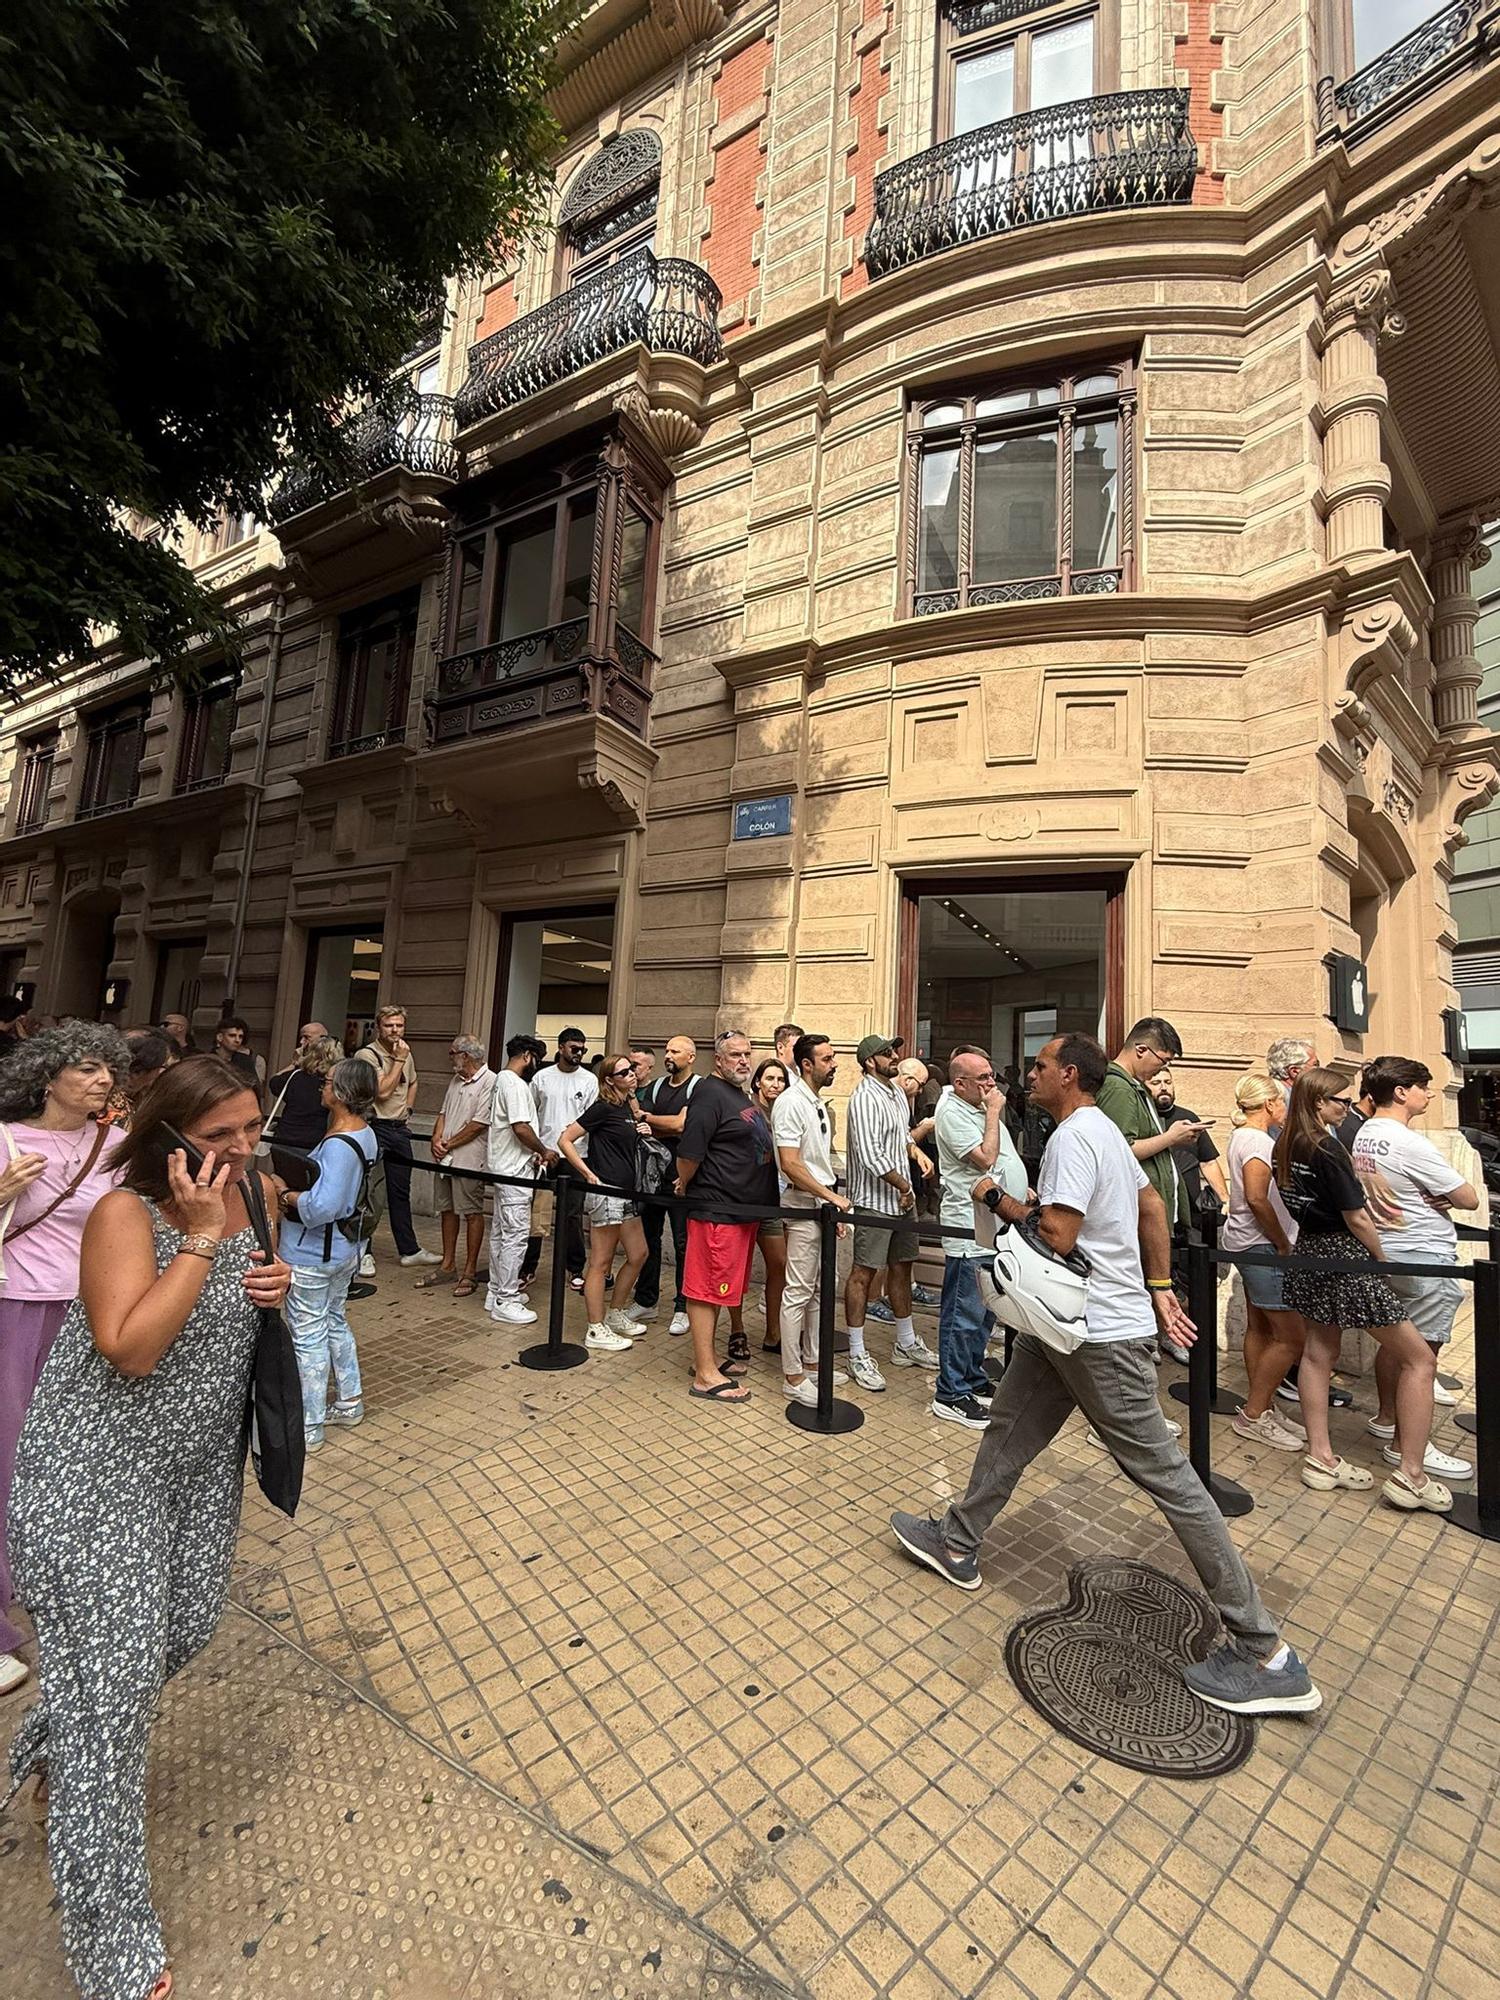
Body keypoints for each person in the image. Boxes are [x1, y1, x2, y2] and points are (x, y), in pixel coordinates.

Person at [891, 1033, 1322, 1719]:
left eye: (1037, 1067)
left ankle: (1263, 1650)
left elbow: (1057, 1233)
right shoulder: (1105, 1131)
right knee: (1010, 1422)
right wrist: (1158, 1284)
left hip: (1095, 1332)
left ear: (1069, 1075)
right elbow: (1151, 1208)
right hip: (1067, 1326)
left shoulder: (1071, 1137)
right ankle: (958, 1540)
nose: (1026, 1075)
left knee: (1169, 1478)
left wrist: (996, 1197)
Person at [5, 1055, 291, 2000]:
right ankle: (112, 1946)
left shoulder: (260, 1194)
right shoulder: (125, 1214)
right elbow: (127, 1347)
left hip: (197, 1472)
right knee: (112, 1716)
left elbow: (245, 1321)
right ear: (167, 1139)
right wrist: (204, 1244)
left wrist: (274, 1288)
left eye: (251, 1127)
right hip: (98, 1474)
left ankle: (61, 1727)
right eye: (220, 1137)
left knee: (185, 1627)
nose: (243, 1149)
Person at [0, 1021, 130, 1697]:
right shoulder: (7, 1140)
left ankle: (65, 1579)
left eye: (109, 1069)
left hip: (89, 1312)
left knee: (80, 1453)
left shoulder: (114, 1144)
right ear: (47, 1075)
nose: (102, 1079)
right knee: (7, 1457)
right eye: (86, 1068)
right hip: (17, 1309)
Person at [1274, 1067, 1453, 1510]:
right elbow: (1356, 1216)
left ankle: (1321, 1456)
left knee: (1317, 1354)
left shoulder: (1285, 1142)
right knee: (1419, 1359)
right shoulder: (1327, 1148)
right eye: (1340, 1099)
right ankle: (1411, 1473)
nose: (1347, 1106)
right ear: (1319, 1102)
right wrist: (1381, 1257)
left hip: (1309, 1250)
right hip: (1344, 1258)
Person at [1351, 1058, 1476, 1474]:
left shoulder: (1364, 1134)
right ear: (1401, 1092)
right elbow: (1468, 1197)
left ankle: (1389, 1420)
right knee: (1421, 1356)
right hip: (1423, 1254)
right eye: (1423, 1086)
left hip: (1387, 1249)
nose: (1429, 1093)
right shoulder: (1410, 1143)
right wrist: (1445, 1194)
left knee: (1398, 1345)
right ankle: (1410, 1448)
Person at [278, 1057, 380, 1449]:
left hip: (313, 1253)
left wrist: (285, 1194)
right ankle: (349, 1400)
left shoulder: (339, 1145)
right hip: (343, 1249)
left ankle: (308, 1424)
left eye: (328, 1081)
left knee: (308, 1335)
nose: (322, 1086)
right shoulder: (363, 1134)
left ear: (342, 1093)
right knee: (334, 1322)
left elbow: (324, 1206)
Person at [675, 1030, 777, 1403]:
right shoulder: (707, 1094)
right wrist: (684, 1183)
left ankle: (709, 1358)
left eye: (747, 1054)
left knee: (720, 1289)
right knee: (706, 1289)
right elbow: (689, 1153)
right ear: (717, 1060)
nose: (743, 1061)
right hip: (718, 1208)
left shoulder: (737, 1094)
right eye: (735, 1055)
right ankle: (704, 1374)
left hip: (741, 1211)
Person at [930, 1049, 1025, 1425]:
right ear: (960, 1083)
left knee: (985, 1312)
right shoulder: (953, 1112)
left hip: (994, 1225)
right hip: (968, 1228)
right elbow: (985, 1158)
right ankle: (950, 1392)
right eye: (984, 1077)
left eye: (991, 1076)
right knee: (963, 1314)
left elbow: (1003, 1160)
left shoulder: (979, 1106)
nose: (992, 1083)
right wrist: (992, 1112)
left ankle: (970, 1376)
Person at [1223, 1075, 1308, 1452]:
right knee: (1291, 1336)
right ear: (1269, 1104)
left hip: (1247, 1243)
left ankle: (1263, 1404)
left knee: (1259, 1328)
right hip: (1261, 1245)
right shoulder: (1257, 1141)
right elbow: (1258, 1199)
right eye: (1282, 1101)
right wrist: (1280, 1241)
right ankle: (1256, 1412)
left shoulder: (1245, 1137)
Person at [772, 1033, 851, 1407]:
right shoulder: (789, 1103)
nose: (834, 1064)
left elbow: (817, 1160)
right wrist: (830, 1196)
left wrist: (830, 1204)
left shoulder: (815, 1102)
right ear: (807, 1064)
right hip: (803, 1207)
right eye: (827, 1058)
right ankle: (792, 1376)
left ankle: (814, 1363)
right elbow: (790, 1164)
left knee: (821, 1290)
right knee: (798, 1292)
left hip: (820, 1206)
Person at [844, 1035, 924, 1394]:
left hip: (902, 1199)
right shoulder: (863, 1098)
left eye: (894, 1051)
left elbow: (899, 1135)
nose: (895, 1057)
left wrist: (914, 1151)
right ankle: (857, 1352)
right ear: (869, 1062)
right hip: (876, 1200)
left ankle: (905, 1342)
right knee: (863, 1273)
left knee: (903, 1267)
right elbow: (871, 1156)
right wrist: (904, 1188)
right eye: (887, 1053)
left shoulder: (894, 1093)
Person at [559, 1053, 651, 1352]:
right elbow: (565, 1139)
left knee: (638, 1253)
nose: (631, 1075)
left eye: (632, 1069)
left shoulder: (625, 1105)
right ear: (610, 1079)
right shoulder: (603, 1108)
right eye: (623, 1072)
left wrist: (642, 1126)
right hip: (607, 1189)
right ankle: (595, 1328)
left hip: (626, 1191)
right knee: (601, 1262)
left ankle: (614, 1313)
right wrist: (587, 1173)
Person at [354, 1002, 437, 1268]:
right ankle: (363, 1251)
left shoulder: (406, 1053)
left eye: (399, 1025)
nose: (395, 1030)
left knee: (400, 1191)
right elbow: (383, 1092)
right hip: (375, 1127)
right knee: (369, 1192)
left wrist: (408, 1109)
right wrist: (399, 1059)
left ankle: (409, 1249)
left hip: (399, 1129)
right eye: (389, 1025)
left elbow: (413, 1081)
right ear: (378, 1027)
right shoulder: (367, 1055)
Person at [417, 1035, 495, 1299]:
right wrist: (435, 1139)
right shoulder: (455, 1080)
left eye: (453, 1053)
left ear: (466, 1055)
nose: (450, 1058)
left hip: (469, 1159)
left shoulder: (490, 1081)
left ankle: (470, 1271)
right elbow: (443, 1113)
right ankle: (448, 1264)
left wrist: (447, 1144)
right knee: (447, 1210)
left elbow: (479, 1124)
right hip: (446, 1158)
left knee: (472, 1213)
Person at [632, 1034, 698, 1334]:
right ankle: (647, 1300)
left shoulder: (698, 1088)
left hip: (683, 1178)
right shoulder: (657, 1085)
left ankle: (683, 1306)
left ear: (691, 1057)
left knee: (684, 1243)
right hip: (653, 1176)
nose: (668, 1055)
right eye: (667, 1050)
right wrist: (658, 1123)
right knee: (649, 1237)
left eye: (675, 1051)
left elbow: (682, 1125)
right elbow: (639, 1122)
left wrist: (653, 1120)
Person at [486, 1036, 551, 1327]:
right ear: (527, 1056)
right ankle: (506, 1297)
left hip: (507, 1166)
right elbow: (521, 1128)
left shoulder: (501, 1080)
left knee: (501, 1232)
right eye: (537, 1057)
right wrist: (543, 1150)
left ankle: (495, 1290)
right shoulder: (513, 1083)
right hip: (514, 1172)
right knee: (515, 1234)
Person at [530, 1027, 597, 1292]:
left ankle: (575, 1268)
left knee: (572, 1215)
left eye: (582, 1049)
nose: (579, 1053)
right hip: (545, 1153)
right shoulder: (542, 1077)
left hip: (577, 1154)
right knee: (537, 1212)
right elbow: (532, 1114)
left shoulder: (589, 1080)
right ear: (560, 1047)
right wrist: (535, 1149)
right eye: (574, 1048)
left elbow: (592, 1119)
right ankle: (528, 1267)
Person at [742, 1058, 790, 1355]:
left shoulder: (785, 1111)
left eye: (780, 1079)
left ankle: (773, 1333)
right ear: (757, 1081)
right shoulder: (747, 1113)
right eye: (769, 1078)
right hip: (746, 1198)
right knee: (739, 1267)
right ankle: (737, 1329)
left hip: (776, 1200)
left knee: (779, 1265)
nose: (775, 1084)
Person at [1149, 1068, 1227, 1215]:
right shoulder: (1143, 1119)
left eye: (1168, 1082)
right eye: (1156, 1083)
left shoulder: (1188, 1118)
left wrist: (1225, 1200)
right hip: (1155, 1207)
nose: (1163, 1087)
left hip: (1190, 1210)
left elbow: (1208, 1162)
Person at [264, 1032, 340, 1155]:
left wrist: (294, 1064)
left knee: (280, 1173)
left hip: (284, 1138)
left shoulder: (295, 1076)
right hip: (312, 1141)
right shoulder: (332, 1083)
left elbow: (274, 1082)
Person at [213, 1015, 265, 1104]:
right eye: (232, 1035)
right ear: (220, 1037)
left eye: (240, 1036)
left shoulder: (245, 1061)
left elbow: (254, 1090)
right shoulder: (208, 1059)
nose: (237, 1040)